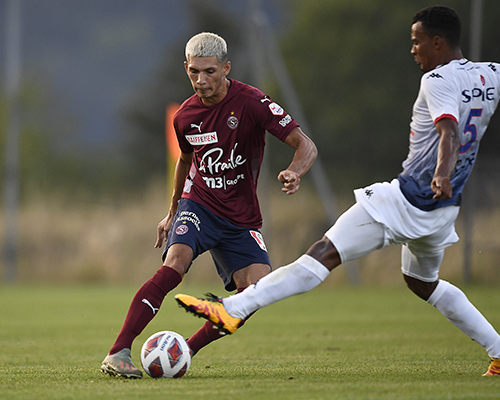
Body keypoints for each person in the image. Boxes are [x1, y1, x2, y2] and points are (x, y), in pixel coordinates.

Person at [175, 6, 500, 377]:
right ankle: (499, 351)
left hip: (408, 199)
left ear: (437, 42)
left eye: (417, 41)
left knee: (321, 255)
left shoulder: (436, 81)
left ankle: (231, 310)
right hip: (443, 212)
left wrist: (440, 173)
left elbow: (449, 131)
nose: (413, 50)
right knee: (422, 282)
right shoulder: (491, 73)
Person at [100, 32, 317, 378]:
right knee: (176, 263)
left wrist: (294, 171)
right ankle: (118, 351)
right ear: (186, 68)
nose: (201, 81)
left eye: (210, 72)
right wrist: (173, 212)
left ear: (226, 68)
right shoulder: (185, 117)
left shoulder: (252, 103)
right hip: (198, 205)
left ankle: (184, 349)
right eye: (194, 72)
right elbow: (185, 162)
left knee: (256, 292)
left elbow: (304, 144)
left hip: (241, 218)